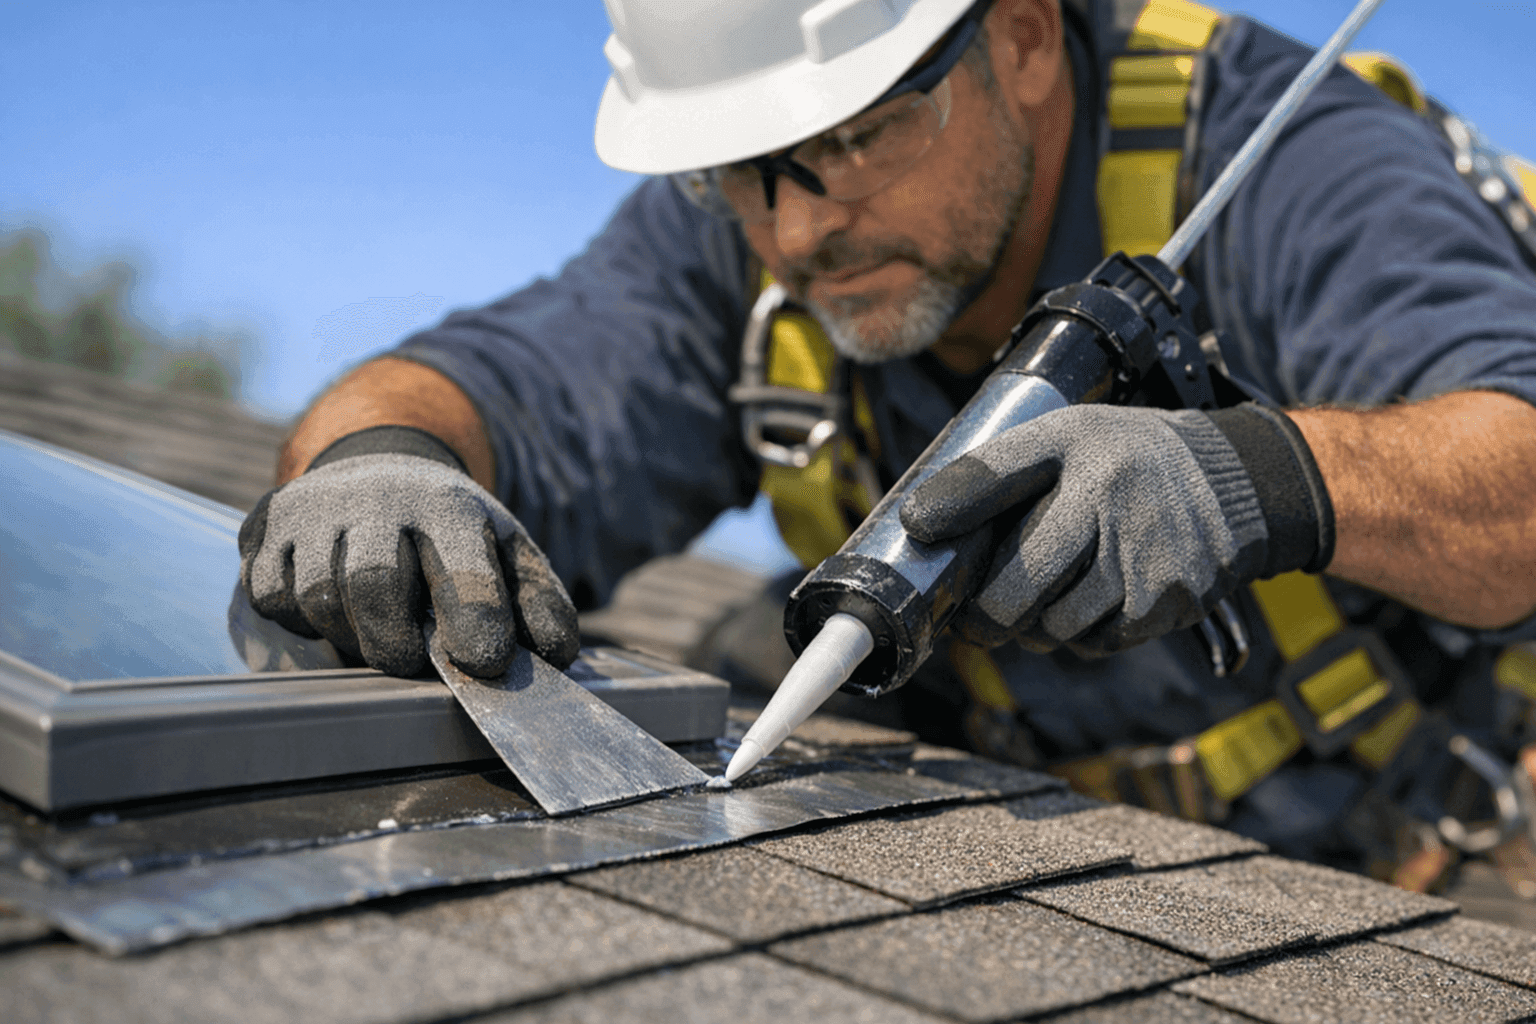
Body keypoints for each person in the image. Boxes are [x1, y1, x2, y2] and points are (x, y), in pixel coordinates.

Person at [239, 0, 1536, 880]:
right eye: (738, 174)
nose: (795, 237)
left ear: (1021, 37)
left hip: (1428, 826)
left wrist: (1253, 478)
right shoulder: (751, 220)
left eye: (851, 140)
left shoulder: (1280, 159)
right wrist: (376, 460)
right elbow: (498, 382)